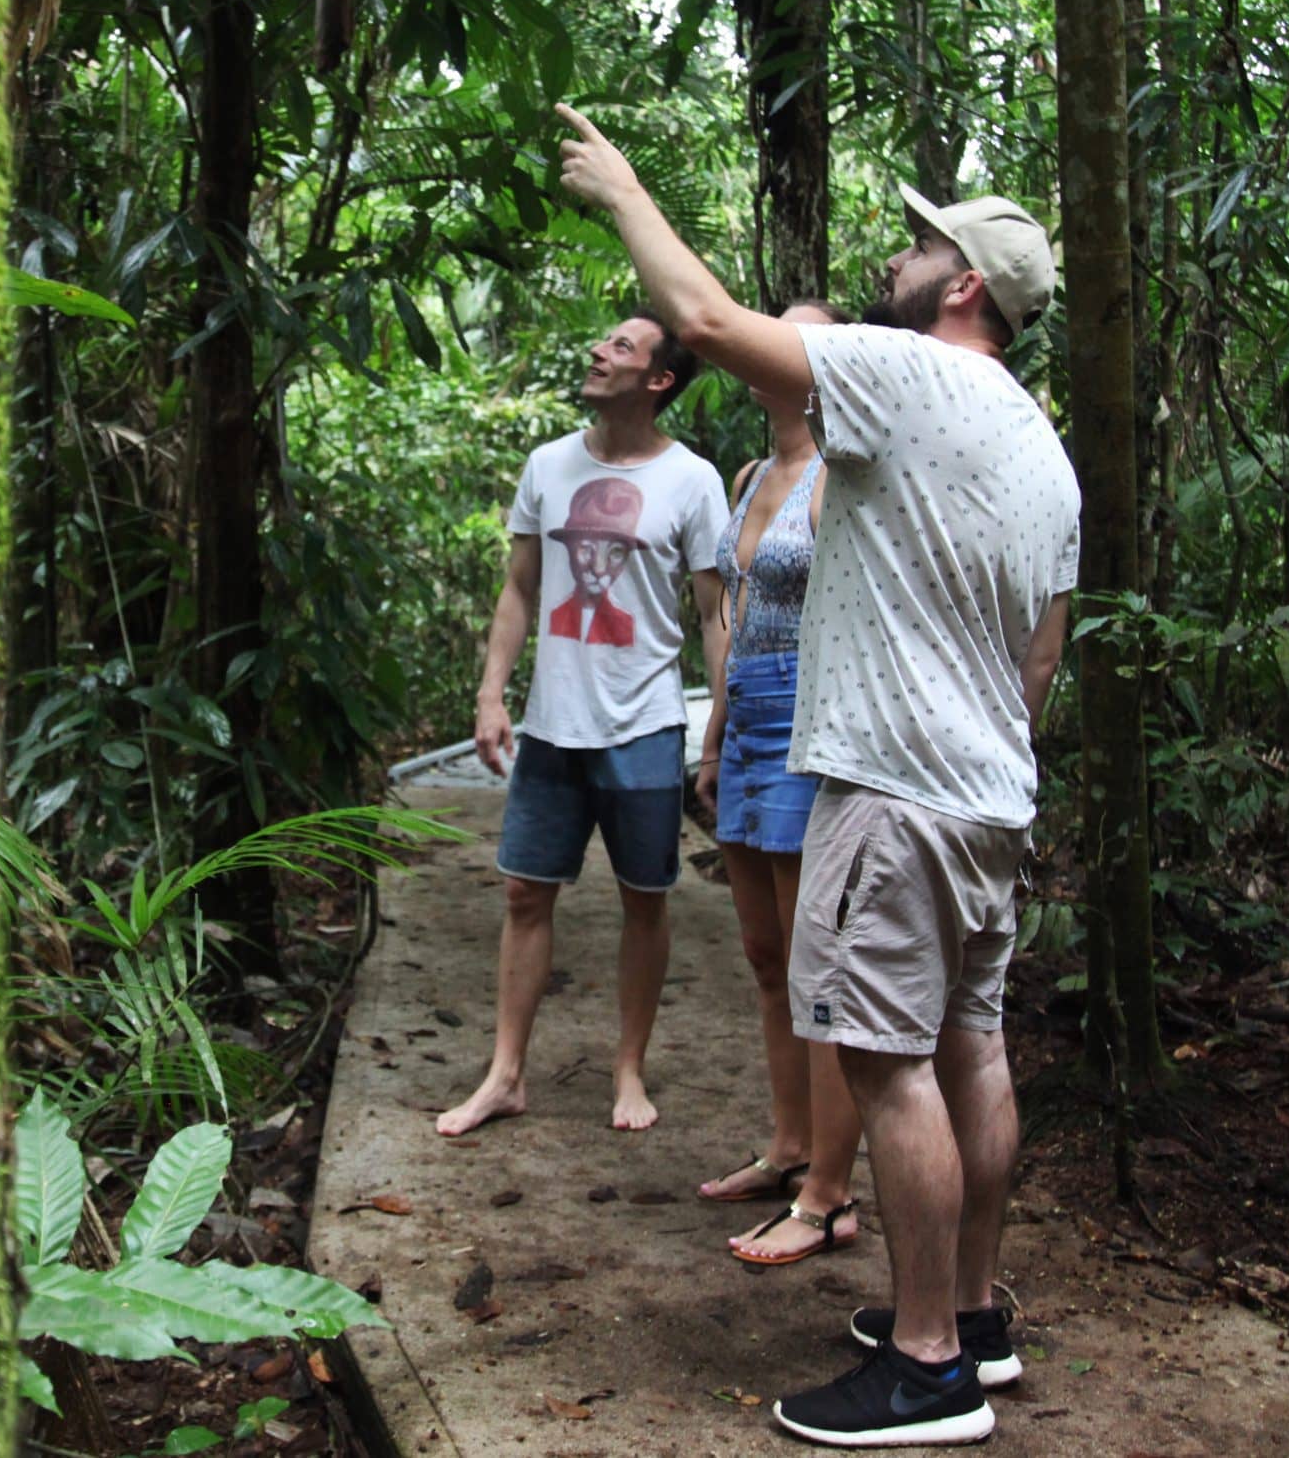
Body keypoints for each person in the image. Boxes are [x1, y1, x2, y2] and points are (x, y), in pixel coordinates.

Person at [557, 104, 1076, 1449]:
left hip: (896, 790)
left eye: (920, 247)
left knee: (887, 1058)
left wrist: (624, 192)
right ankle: (973, 1316)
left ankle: (923, 1369)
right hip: (986, 797)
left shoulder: (914, 376)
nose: (897, 261)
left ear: (964, 286)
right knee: (973, 1043)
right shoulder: (1044, 448)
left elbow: (712, 323)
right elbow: (1039, 658)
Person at [438, 312, 730, 1139]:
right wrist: (493, 696)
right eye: (603, 339)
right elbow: (520, 589)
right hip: (552, 725)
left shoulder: (693, 481)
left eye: (622, 346)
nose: (598, 348)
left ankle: (629, 1068)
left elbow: (714, 614)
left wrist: (718, 732)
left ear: (658, 380)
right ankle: (505, 1074)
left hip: (644, 720)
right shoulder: (548, 465)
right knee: (525, 892)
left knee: (646, 897)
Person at [693, 301, 871, 1273]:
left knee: (818, 963)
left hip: (815, 719)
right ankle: (788, 1142)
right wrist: (713, 738)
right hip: (747, 718)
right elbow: (731, 614)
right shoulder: (751, 473)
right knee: (765, 955)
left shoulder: (844, 472)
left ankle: (830, 1192)